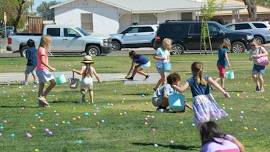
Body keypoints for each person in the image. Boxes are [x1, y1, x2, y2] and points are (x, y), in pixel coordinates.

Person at [172, 62, 230, 126]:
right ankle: (210, 130)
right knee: (208, 118)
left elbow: (181, 90)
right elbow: (215, 84)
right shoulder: (206, 77)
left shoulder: (190, 80)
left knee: (202, 120)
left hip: (198, 101)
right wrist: (224, 92)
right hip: (208, 99)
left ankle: (206, 132)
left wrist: (173, 85)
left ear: (192, 70)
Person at [36, 35, 56, 107]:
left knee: (41, 86)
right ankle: (43, 97)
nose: (50, 44)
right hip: (42, 70)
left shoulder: (40, 48)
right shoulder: (42, 50)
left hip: (40, 69)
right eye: (49, 42)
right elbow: (42, 61)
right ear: (46, 42)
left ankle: (40, 104)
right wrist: (50, 67)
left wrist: (48, 68)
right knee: (53, 83)